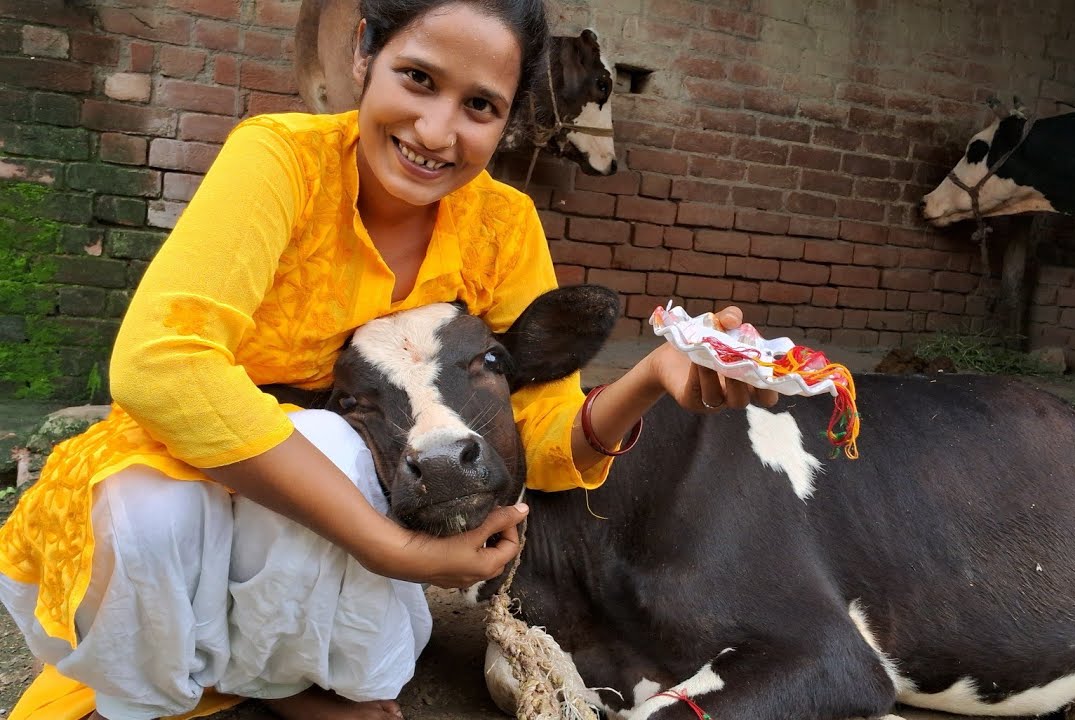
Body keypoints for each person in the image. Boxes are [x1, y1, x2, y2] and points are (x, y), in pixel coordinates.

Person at [0, 0, 777, 718]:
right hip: (207, 461)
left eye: (480, 106)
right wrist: (392, 549)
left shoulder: (504, 225)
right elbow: (159, 364)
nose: (437, 133)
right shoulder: (282, 163)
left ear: (509, 120)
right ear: (365, 51)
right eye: (418, 79)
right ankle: (186, 685)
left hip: (355, 467)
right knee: (168, 506)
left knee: (347, 448)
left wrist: (649, 380)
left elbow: (536, 431)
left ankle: (281, 679)